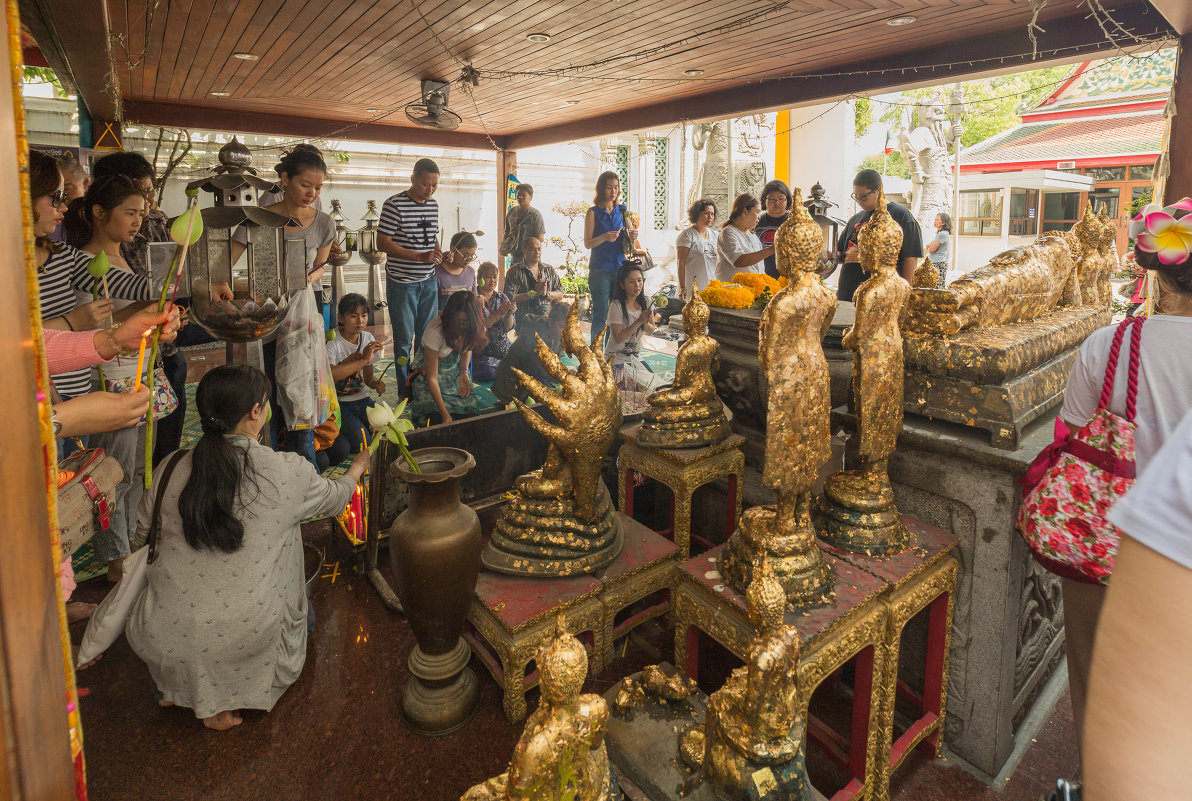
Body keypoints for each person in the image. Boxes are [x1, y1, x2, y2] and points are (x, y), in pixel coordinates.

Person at [125, 364, 368, 731]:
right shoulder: (287, 471)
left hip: (159, 637)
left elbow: (141, 533)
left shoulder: (170, 466)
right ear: (257, 411)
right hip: (247, 638)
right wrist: (358, 468)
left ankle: (176, 686)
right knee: (287, 532)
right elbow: (335, 500)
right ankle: (222, 699)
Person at [1053, 204, 1192, 748]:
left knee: (1094, 684)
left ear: (1153, 269)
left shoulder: (1108, 347)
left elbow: (1066, 444)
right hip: (1181, 556)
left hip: (1101, 543)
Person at [1084, 410, 1192, 801]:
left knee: (1085, 662)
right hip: (1142, 547)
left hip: (1096, 529)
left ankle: (1084, 757)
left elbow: (1071, 423)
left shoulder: (1106, 345)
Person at [64, 174, 157, 583]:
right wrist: (139, 313)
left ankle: (133, 543)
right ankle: (115, 560)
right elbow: (90, 331)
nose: (137, 221)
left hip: (137, 373)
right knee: (111, 471)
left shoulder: (127, 260)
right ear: (99, 213)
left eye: (141, 213)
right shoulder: (83, 263)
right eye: (129, 212)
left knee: (137, 467)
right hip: (110, 377)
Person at [230, 146, 335, 467]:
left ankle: (304, 470)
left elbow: (322, 264)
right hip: (266, 313)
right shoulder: (257, 218)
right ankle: (269, 464)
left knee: (301, 392)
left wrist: (306, 277)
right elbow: (227, 263)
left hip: (303, 317)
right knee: (266, 393)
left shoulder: (323, 223)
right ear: (285, 179)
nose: (312, 193)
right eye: (306, 185)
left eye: (318, 187)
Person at [32, 150, 157, 404]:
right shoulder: (10, 270)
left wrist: (187, 283)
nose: (64, 205)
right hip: (36, 397)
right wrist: (72, 322)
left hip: (78, 389)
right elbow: (14, 340)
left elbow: (130, 285)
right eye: (55, 197)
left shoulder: (63, 255)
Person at [378, 158, 443, 391]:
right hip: (402, 283)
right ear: (413, 178)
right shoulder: (393, 204)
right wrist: (418, 257)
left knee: (427, 339)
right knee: (404, 340)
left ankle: (422, 384)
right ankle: (406, 389)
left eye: (435, 185)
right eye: (426, 184)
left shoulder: (433, 205)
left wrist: (437, 252)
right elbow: (382, 242)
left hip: (428, 281)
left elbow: (432, 234)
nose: (431, 189)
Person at [833, 169, 923, 302]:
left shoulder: (901, 216)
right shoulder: (855, 219)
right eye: (855, 196)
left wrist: (905, 294)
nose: (859, 201)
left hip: (882, 296)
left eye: (863, 196)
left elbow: (910, 258)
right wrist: (830, 256)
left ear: (878, 190)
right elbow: (840, 253)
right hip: (847, 294)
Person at [409, 290, 486, 425]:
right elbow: (431, 377)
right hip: (428, 375)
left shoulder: (474, 327)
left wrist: (464, 372)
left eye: (466, 322)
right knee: (435, 418)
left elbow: (467, 350)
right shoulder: (435, 329)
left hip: (453, 373)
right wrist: (444, 414)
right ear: (451, 318)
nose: (462, 326)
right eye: (459, 321)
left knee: (469, 416)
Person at [327, 293, 386, 455]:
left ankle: (352, 429)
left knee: (387, 430)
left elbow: (367, 378)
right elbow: (330, 376)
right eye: (353, 316)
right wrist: (359, 361)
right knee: (363, 442)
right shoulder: (332, 342)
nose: (360, 321)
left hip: (362, 399)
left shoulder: (367, 338)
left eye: (364, 316)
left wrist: (376, 384)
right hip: (339, 403)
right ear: (341, 318)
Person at [491, 302, 570, 405]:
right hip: (510, 379)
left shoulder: (558, 336)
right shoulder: (536, 336)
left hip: (533, 376)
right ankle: (508, 398)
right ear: (550, 322)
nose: (567, 331)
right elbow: (541, 369)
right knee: (545, 403)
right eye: (562, 326)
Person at [584, 171, 630, 345]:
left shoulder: (623, 210)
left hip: (619, 269)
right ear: (601, 188)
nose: (613, 191)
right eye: (609, 187)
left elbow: (631, 236)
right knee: (601, 313)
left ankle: (611, 351)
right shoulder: (593, 212)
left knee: (616, 314)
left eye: (616, 187)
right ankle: (595, 353)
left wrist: (633, 234)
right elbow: (588, 243)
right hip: (599, 270)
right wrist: (604, 237)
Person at [604, 262, 659, 382]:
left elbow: (650, 330)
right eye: (632, 282)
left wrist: (645, 321)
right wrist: (639, 321)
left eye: (640, 280)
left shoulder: (647, 301)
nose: (637, 285)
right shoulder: (616, 306)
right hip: (616, 359)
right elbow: (618, 338)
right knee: (630, 391)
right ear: (622, 285)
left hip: (635, 358)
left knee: (653, 386)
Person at [505, 236, 564, 332]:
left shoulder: (548, 269)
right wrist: (531, 294)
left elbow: (560, 294)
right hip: (524, 325)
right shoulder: (514, 271)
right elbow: (509, 297)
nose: (537, 252)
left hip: (547, 325)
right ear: (524, 250)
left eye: (539, 249)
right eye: (532, 249)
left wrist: (546, 294)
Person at [474, 261, 516, 383]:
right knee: (488, 374)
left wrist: (509, 314)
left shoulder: (502, 297)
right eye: (488, 277)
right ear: (479, 278)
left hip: (502, 347)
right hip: (483, 350)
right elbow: (482, 325)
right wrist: (499, 314)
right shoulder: (474, 298)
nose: (492, 280)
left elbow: (509, 328)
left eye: (495, 276)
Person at [498, 182, 546, 287]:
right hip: (515, 257)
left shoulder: (536, 215)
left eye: (523, 195)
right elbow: (507, 231)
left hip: (531, 259)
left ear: (531, 197)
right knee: (514, 285)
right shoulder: (511, 212)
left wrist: (531, 252)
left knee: (531, 285)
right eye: (518, 194)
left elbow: (540, 238)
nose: (520, 197)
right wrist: (505, 246)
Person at [716, 194, 772, 281]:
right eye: (757, 212)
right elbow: (738, 261)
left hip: (754, 289)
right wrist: (771, 250)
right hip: (733, 290)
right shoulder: (728, 232)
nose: (759, 217)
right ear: (745, 212)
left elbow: (760, 268)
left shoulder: (753, 236)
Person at [258, 143, 325, 212]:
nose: (312, 194)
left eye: (317, 188)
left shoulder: (316, 199)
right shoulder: (274, 194)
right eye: (305, 185)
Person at [676, 199, 717, 301]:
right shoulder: (687, 235)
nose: (710, 217)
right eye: (706, 213)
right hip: (693, 286)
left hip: (713, 285)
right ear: (697, 214)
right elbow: (680, 262)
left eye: (712, 214)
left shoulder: (716, 235)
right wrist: (682, 287)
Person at [755, 180, 792, 279]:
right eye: (772, 199)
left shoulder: (794, 223)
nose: (777, 203)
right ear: (764, 200)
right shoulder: (756, 222)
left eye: (781, 199)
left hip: (789, 278)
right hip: (761, 277)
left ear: (787, 200)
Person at [436, 231, 478, 309]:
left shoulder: (471, 272)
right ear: (453, 250)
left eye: (472, 255)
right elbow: (430, 309)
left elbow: (473, 302)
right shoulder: (437, 273)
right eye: (466, 255)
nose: (469, 259)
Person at [925, 212, 952, 288]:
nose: (935, 221)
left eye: (937, 220)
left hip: (937, 263)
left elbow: (931, 249)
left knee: (936, 286)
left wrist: (930, 245)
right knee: (938, 285)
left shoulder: (942, 234)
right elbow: (929, 245)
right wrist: (931, 245)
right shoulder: (942, 233)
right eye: (935, 220)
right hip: (939, 262)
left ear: (943, 222)